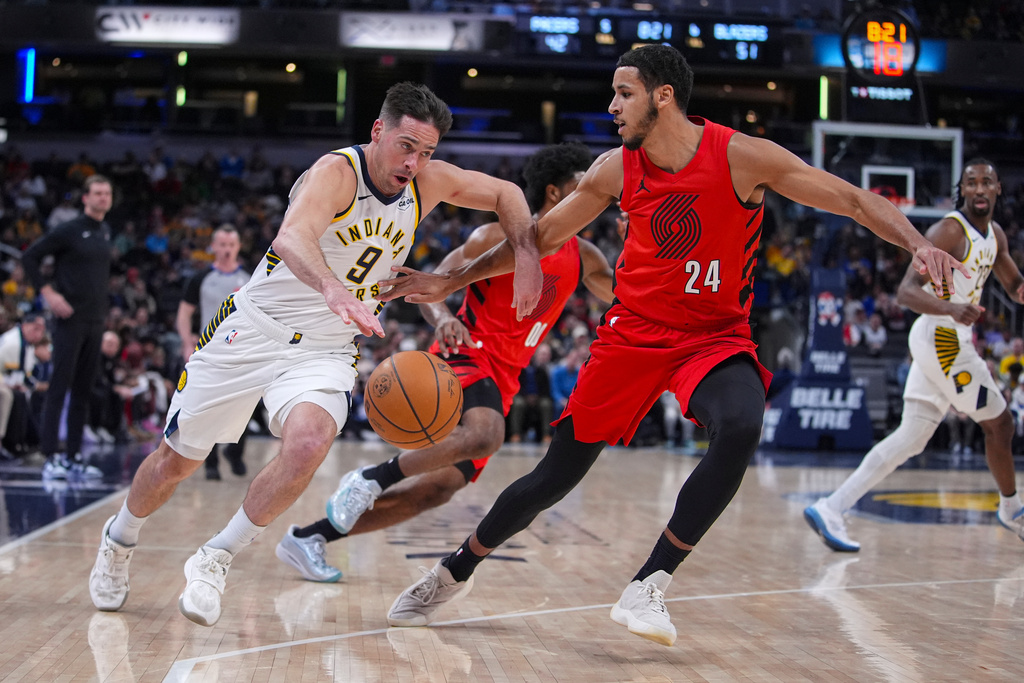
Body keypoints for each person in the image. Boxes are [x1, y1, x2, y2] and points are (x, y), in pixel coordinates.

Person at [375, 45, 967, 646]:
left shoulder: (742, 157)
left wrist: (918, 243)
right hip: (632, 335)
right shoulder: (614, 168)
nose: (612, 107)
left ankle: (650, 581)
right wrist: (450, 280)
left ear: (663, 96)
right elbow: (542, 236)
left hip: (713, 337)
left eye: (623, 94)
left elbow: (854, 199)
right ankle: (453, 572)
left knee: (741, 424)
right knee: (555, 476)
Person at [86, 81, 543, 627]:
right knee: (176, 462)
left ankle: (216, 557)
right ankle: (119, 540)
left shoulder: (429, 181)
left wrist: (526, 253)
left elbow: (507, 194)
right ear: (378, 131)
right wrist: (332, 288)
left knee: (307, 444)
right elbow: (292, 237)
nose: (414, 163)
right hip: (254, 330)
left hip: (325, 347)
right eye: (406, 146)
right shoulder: (337, 172)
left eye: (426, 152)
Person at [275, 142, 614, 583]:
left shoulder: (585, 256)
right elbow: (430, 286)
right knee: (487, 435)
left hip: (506, 376)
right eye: (581, 186)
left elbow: (625, 292)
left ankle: (309, 538)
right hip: (467, 353)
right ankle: (371, 477)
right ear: (554, 192)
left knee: (436, 490)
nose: (595, 197)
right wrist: (444, 318)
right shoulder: (493, 237)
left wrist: (640, 243)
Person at [805, 158, 1024, 552]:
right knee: (1001, 424)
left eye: (986, 182)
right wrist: (952, 308)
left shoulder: (995, 235)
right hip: (942, 336)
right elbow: (905, 292)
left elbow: (1014, 286)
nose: (979, 189)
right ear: (962, 189)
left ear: (997, 189)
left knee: (912, 437)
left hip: (947, 337)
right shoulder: (949, 231)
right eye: (971, 182)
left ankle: (831, 507)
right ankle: (1012, 508)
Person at [21, 175, 114, 480]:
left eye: (107, 193)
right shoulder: (69, 230)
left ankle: (74, 456)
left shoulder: (104, 231)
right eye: (97, 193)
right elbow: (30, 256)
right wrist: (48, 293)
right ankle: (50, 456)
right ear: (85, 198)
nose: (103, 197)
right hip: (69, 320)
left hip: (95, 320)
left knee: (83, 391)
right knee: (59, 387)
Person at [175, 225, 252, 480]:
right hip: (208, 351)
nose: (227, 249)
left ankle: (235, 452)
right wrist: (187, 342)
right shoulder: (200, 278)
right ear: (214, 247)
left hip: (241, 351)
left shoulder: (250, 278)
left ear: (238, 247)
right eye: (223, 245)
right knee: (208, 407)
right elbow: (184, 314)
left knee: (244, 405)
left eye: (231, 245)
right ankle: (211, 462)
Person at [0, 312, 48, 459]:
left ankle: (24, 442)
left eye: (42, 330)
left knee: (23, 395)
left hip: (7, 381)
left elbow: (25, 376)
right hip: (3, 381)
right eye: (36, 328)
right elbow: (15, 377)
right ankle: (10, 443)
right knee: (16, 396)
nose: (39, 334)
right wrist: (37, 386)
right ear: (25, 326)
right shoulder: (13, 343)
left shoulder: (26, 344)